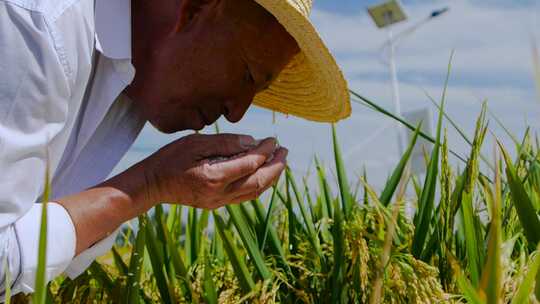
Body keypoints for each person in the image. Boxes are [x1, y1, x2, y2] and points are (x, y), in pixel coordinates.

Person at [0, 0, 350, 298]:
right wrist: (150, 185)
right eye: (246, 75)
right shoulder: (37, 25)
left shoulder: (135, 84)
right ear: (194, 9)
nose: (237, 110)